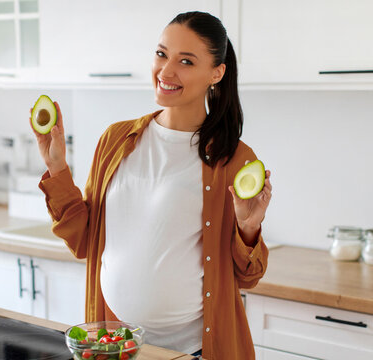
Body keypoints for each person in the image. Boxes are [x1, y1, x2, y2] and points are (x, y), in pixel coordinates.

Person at [31, 11, 272, 359]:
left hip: (195, 350)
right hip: (115, 345)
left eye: (186, 61)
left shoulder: (235, 160)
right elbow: (85, 241)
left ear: (216, 73)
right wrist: (56, 168)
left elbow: (247, 277)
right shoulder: (115, 140)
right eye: (161, 54)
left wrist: (249, 227)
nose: (166, 71)